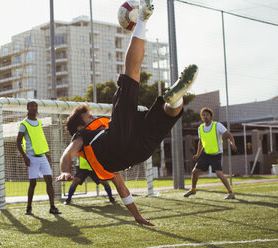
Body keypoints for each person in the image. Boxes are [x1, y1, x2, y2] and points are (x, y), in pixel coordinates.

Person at [56, 0, 199, 226]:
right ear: (80, 128)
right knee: (131, 77)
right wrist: (64, 170)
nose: (94, 119)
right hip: (116, 139)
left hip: (137, 153)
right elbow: (68, 154)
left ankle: (176, 99)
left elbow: (122, 188)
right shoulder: (83, 137)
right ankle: (142, 19)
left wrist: (137, 216)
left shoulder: (103, 161)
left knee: (165, 114)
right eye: (90, 118)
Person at [16, 101, 61, 215]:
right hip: (31, 158)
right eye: (31, 106)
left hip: (42, 156)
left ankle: (52, 207)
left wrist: (46, 153)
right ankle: (28, 208)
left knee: (49, 180)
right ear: (27, 108)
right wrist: (24, 156)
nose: (34, 108)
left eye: (36, 106)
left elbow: (40, 140)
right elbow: (18, 142)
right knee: (33, 183)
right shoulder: (24, 124)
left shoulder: (39, 122)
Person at [184, 107, 237, 199]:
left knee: (219, 174)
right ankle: (193, 190)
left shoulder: (217, 125)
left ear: (211, 117)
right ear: (201, 117)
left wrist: (233, 144)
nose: (205, 117)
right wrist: (198, 154)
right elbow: (201, 142)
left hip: (216, 154)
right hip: (206, 154)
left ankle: (230, 193)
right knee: (194, 172)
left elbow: (228, 135)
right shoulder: (200, 128)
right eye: (203, 115)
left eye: (207, 115)